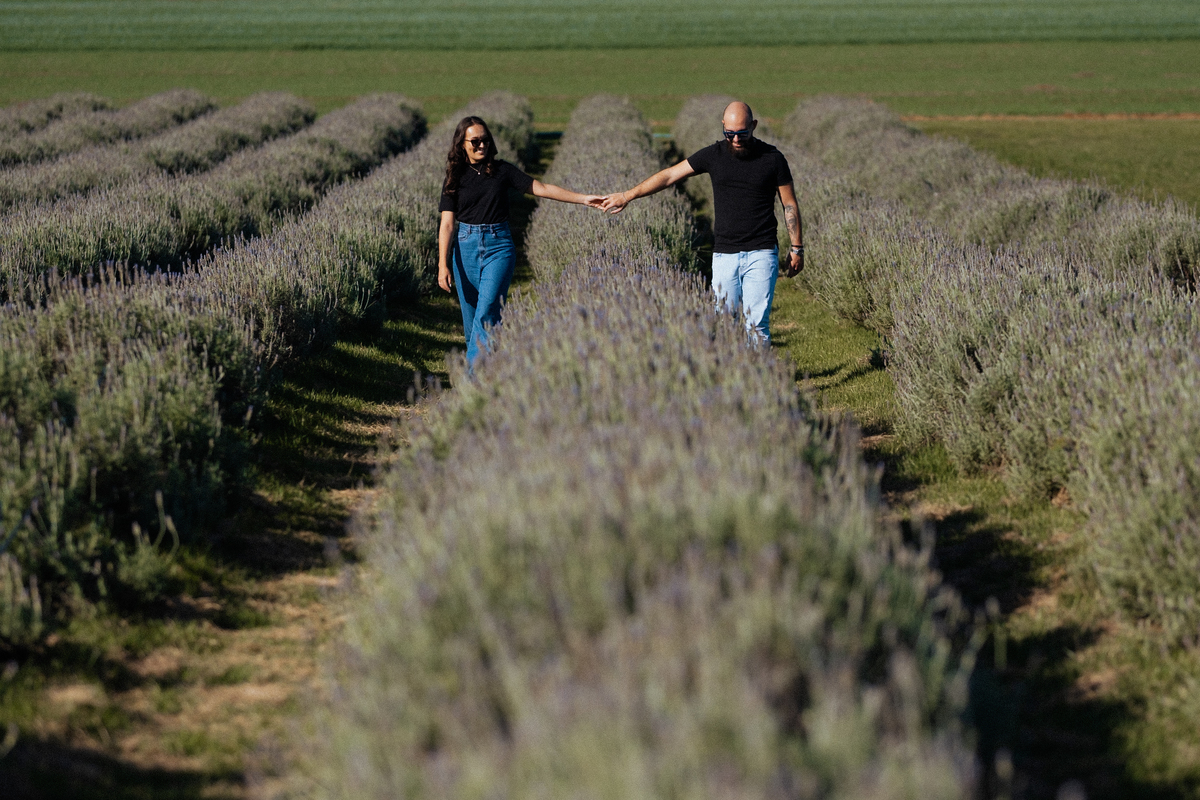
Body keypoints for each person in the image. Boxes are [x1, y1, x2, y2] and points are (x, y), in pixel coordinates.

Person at [600, 101, 803, 343]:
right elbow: (670, 175)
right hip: (725, 254)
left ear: (754, 126)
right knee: (725, 324)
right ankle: (733, 368)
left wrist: (796, 247)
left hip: (762, 252)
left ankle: (759, 366)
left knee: (757, 326)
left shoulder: (773, 158)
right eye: (729, 133)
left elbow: (789, 204)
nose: (736, 139)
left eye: (742, 133)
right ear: (723, 126)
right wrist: (627, 195)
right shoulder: (713, 155)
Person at [438, 116, 603, 366]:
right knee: (472, 323)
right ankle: (489, 373)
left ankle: (471, 380)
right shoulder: (454, 177)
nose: (481, 145)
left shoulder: (502, 170)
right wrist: (443, 264)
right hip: (465, 248)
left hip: (498, 247)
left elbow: (541, 188)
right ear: (462, 144)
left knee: (487, 312)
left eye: (485, 140)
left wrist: (583, 199)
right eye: (475, 141)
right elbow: (447, 224)